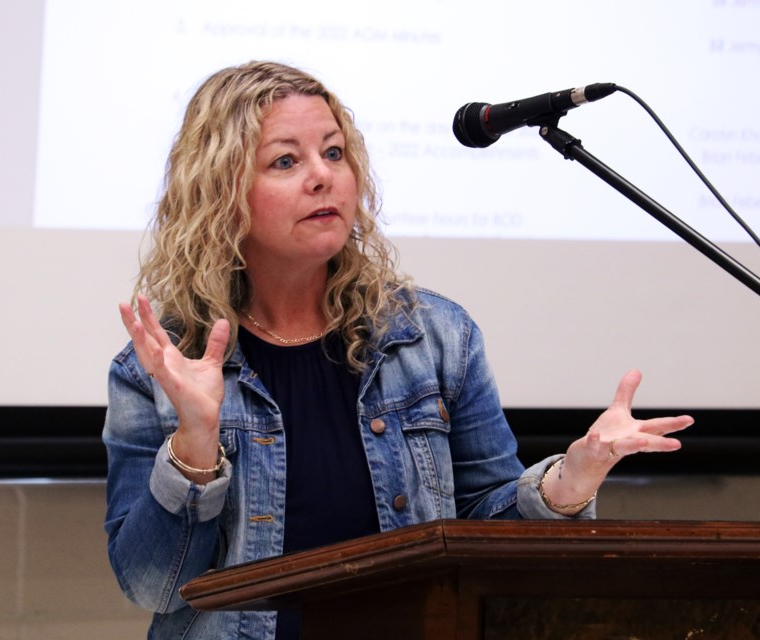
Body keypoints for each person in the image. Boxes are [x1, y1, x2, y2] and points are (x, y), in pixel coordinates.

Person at [102, 60, 694, 639]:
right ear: (221, 194)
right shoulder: (159, 368)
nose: (322, 176)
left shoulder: (433, 336)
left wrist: (573, 479)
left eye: (333, 153)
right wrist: (194, 446)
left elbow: (489, 533)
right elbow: (153, 586)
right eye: (285, 160)